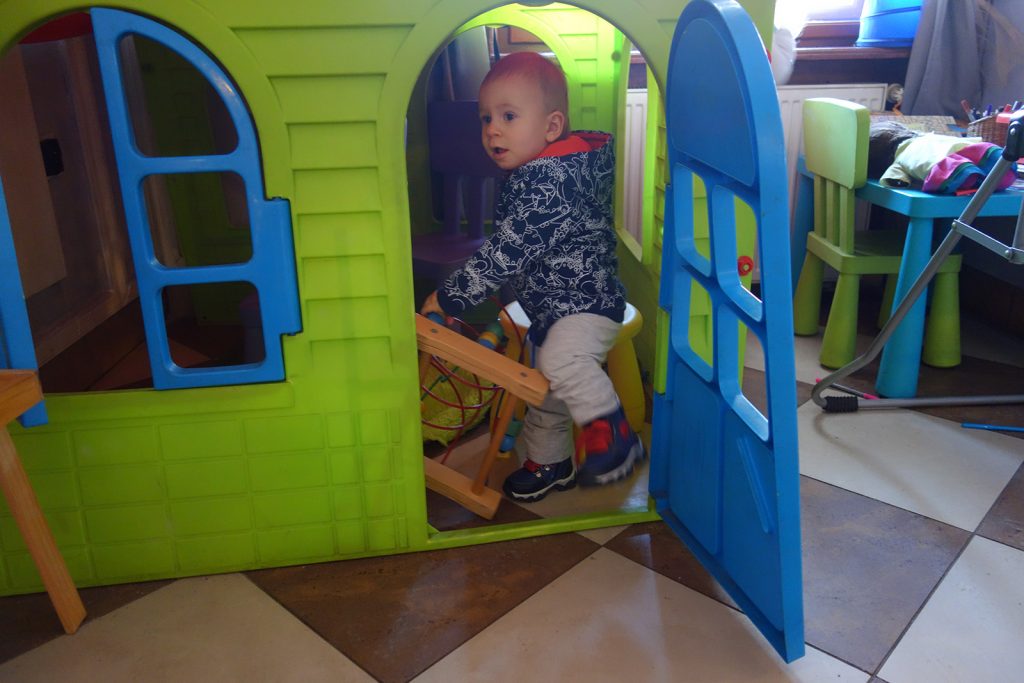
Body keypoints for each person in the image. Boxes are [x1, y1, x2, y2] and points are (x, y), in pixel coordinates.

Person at [420, 51, 644, 503]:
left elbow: (507, 250)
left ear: (551, 126)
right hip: (552, 305)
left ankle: (615, 441)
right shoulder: (542, 171)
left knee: (561, 362)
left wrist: (451, 297)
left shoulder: (551, 183)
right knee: (545, 387)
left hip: (585, 302)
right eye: (486, 118)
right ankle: (551, 464)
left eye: (508, 116)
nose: (492, 130)